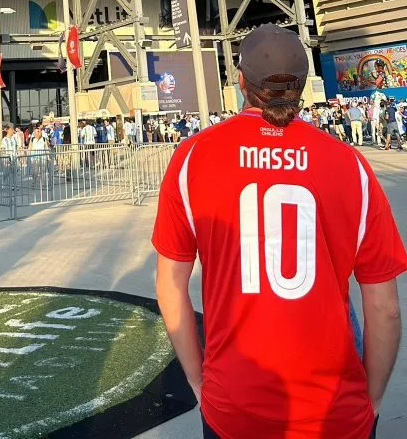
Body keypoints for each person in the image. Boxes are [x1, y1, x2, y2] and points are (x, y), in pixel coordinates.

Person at [153, 23, 407, 439]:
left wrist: (200, 384)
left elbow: (169, 287)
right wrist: (373, 398)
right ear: (303, 87)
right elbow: (385, 307)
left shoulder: (192, 158)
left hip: (232, 407)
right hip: (333, 413)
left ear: (239, 81)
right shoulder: (350, 165)